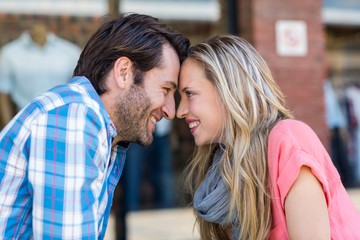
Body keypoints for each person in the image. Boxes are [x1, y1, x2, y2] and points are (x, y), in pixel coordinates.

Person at [0, 13, 189, 239]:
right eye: (166, 89)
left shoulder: (101, 131)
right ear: (123, 72)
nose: (171, 110)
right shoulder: (73, 119)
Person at [176, 35, 360, 240]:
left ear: (228, 90)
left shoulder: (289, 139)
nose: (180, 111)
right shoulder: (220, 169)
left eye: (190, 94)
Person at [0, 22, 81, 129]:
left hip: (63, 123)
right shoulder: (10, 53)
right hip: (25, 124)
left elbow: (81, 90)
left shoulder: (71, 52)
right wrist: (9, 129)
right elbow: (3, 93)